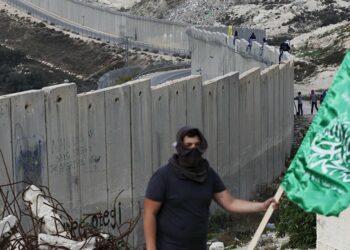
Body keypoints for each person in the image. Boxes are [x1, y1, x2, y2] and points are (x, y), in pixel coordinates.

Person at [143, 127, 278, 250]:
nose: (193, 149)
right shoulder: (163, 177)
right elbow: (150, 214)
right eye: (188, 145)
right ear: (180, 147)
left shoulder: (207, 174)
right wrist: (151, 247)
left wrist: (262, 206)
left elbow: (230, 203)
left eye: (197, 145)